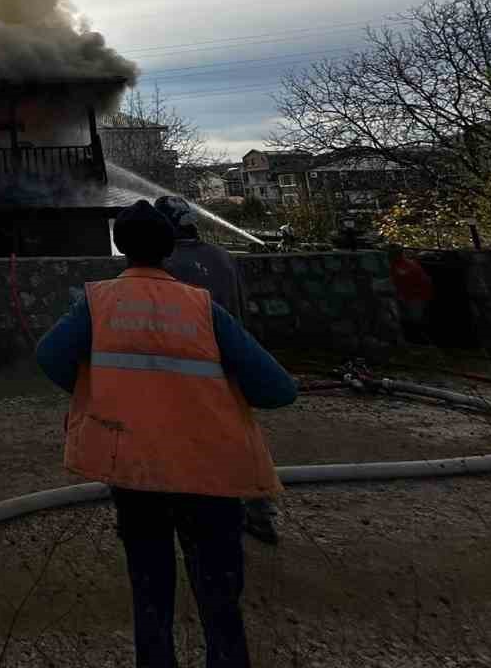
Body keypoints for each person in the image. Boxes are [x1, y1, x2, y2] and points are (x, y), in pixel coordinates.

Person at [37, 200, 297, 668]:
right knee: (219, 593)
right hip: (210, 468)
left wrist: (99, 393)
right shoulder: (203, 308)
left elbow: (51, 356)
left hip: (134, 468)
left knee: (149, 586)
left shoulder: (96, 303)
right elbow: (277, 389)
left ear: (121, 249)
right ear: (169, 247)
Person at [155, 195, 279, 546]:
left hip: (184, 372)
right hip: (228, 365)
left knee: (188, 445)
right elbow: (241, 312)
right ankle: (259, 513)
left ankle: (200, 515)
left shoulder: (166, 265)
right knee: (240, 439)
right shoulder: (222, 258)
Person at [387, 243, 434, 344]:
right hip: (410, 296)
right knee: (407, 320)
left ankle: (422, 342)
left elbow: (404, 282)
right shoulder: (396, 265)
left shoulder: (407, 267)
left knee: (414, 321)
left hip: (416, 297)